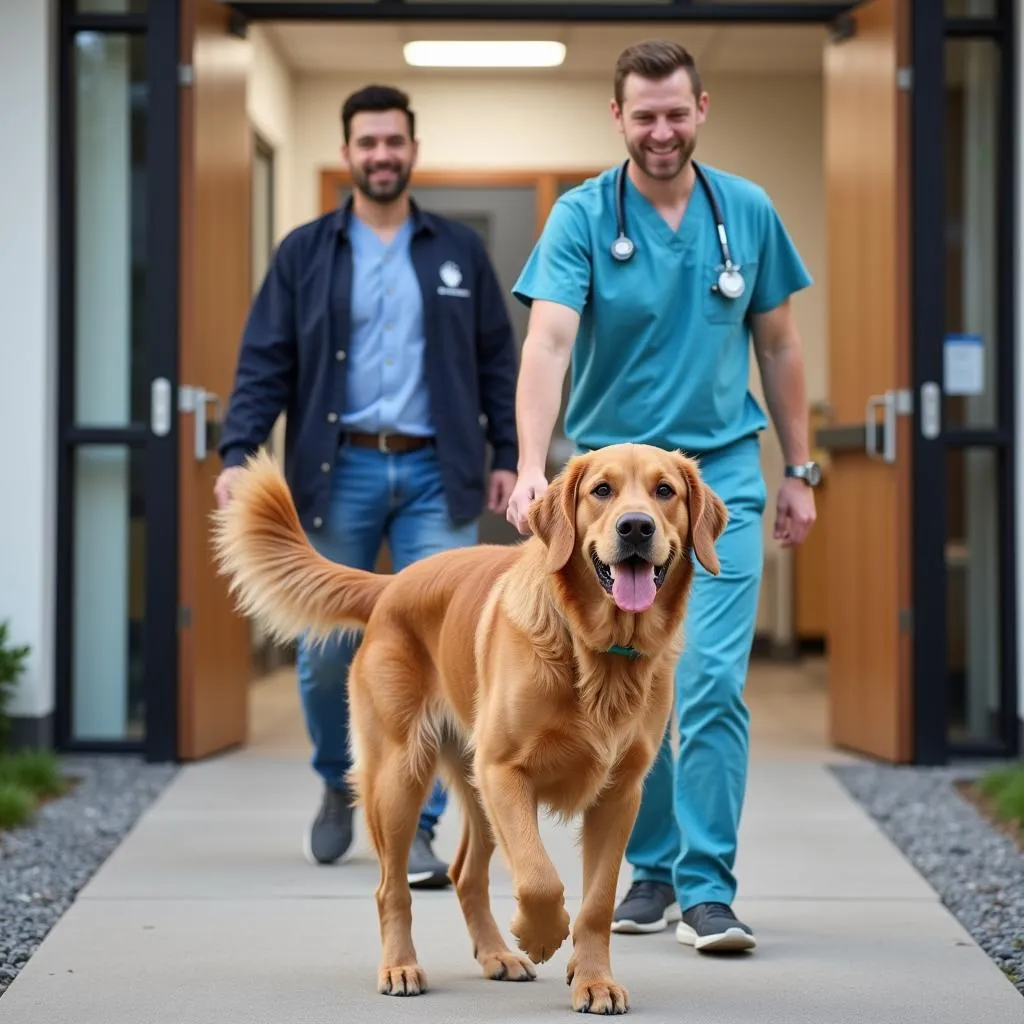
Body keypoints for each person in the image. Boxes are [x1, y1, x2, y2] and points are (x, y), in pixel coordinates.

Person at [505, 39, 818, 953]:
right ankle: (646, 869)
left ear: (701, 109)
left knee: (711, 681)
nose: (661, 130)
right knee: (627, 687)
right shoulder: (580, 217)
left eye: (676, 112)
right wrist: (533, 463)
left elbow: (782, 348)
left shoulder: (746, 213)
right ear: (618, 119)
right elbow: (551, 344)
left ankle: (707, 887)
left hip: (715, 480)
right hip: (607, 492)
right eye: (644, 115)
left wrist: (798, 470)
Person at [215, 84, 519, 889]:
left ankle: (417, 822)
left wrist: (510, 454)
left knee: (445, 648)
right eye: (367, 142)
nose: (381, 154)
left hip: (436, 471)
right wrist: (239, 447)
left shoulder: (457, 250)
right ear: (349, 152)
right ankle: (336, 779)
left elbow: (498, 361)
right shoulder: (306, 253)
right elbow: (265, 357)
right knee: (323, 648)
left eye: (394, 141)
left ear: (412, 149)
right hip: (336, 465)